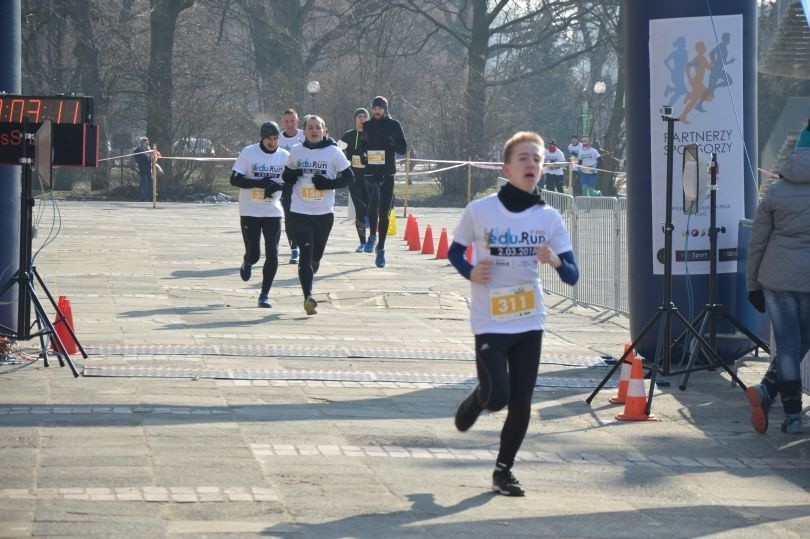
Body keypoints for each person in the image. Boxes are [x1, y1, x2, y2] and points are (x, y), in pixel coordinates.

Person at [448, 131, 579, 496]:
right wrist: (470, 271)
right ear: (507, 167)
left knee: (522, 400)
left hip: (529, 319)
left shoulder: (549, 217)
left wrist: (555, 261)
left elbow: (572, 275)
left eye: (537, 159)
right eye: (524, 158)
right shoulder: (481, 210)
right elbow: (455, 252)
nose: (532, 165)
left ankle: (504, 471)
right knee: (498, 396)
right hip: (490, 318)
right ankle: (479, 398)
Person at [745, 146, 810, 435]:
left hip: (776, 278)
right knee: (800, 342)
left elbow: (757, 241)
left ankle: (778, 401)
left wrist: (752, 284)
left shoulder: (774, 191)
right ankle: (780, 402)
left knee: (787, 345)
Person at [282, 115, 353, 315]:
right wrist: (291, 175)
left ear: (324, 131)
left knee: (316, 255)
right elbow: (286, 175)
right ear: (303, 131)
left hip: (323, 213)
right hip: (299, 211)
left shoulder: (334, 152)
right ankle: (308, 297)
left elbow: (349, 177)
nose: (314, 131)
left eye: (318, 128)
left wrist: (328, 184)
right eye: (310, 127)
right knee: (305, 254)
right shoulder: (296, 151)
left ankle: (314, 264)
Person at [230, 121, 288, 308]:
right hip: (250, 210)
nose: (272, 143)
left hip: (273, 211)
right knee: (255, 254)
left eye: (275, 139)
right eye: (269, 139)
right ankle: (248, 261)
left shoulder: (285, 156)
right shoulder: (249, 152)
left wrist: (278, 186)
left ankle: (264, 294)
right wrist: (259, 183)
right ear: (262, 138)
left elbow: (292, 184)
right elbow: (235, 179)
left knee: (273, 253)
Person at [361, 95, 407, 268]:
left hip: (387, 172)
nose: (377, 111)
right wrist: (363, 155)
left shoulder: (394, 125)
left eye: (380, 108)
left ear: (385, 109)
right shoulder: (367, 125)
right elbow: (363, 145)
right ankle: (372, 235)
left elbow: (403, 148)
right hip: (371, 171)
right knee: (373, 203)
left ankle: (381, 248)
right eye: (374, 108)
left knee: (384, 211)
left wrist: (392, 142)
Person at [340, 108, 371, 252]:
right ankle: (362, 242)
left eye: (365, 116)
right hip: (354, 178)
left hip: (371, 178)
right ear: (355, 119)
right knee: (359, 209)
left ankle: (372, 237)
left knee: (370, 208)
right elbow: (337, 151)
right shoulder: (349, 135)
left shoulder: (373, 135)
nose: (362, 118)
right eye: (359, 116)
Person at [278, 109, 307, 265]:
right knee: (289, 217)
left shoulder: (304, 135)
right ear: (283, 121)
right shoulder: (279, 138)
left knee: (303, 216)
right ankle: (294, 249)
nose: (289, 124)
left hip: (304, 182)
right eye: (286, 121)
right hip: (286, 183)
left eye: (292, 121)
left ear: (297, 121)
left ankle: (306, 244)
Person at [133, 136, 153, 201]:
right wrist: (146, 156)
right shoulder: (138, 150)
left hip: (149, 170)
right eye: (146, 144)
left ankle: (150, 197)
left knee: (151, 183)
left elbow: (151, 159)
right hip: (143, 169)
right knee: (144, 183)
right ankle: (143, 197)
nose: (147, 145)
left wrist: (151, 156)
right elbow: (138, 160)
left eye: (148, 144)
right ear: (142, 143)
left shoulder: (149, 150)